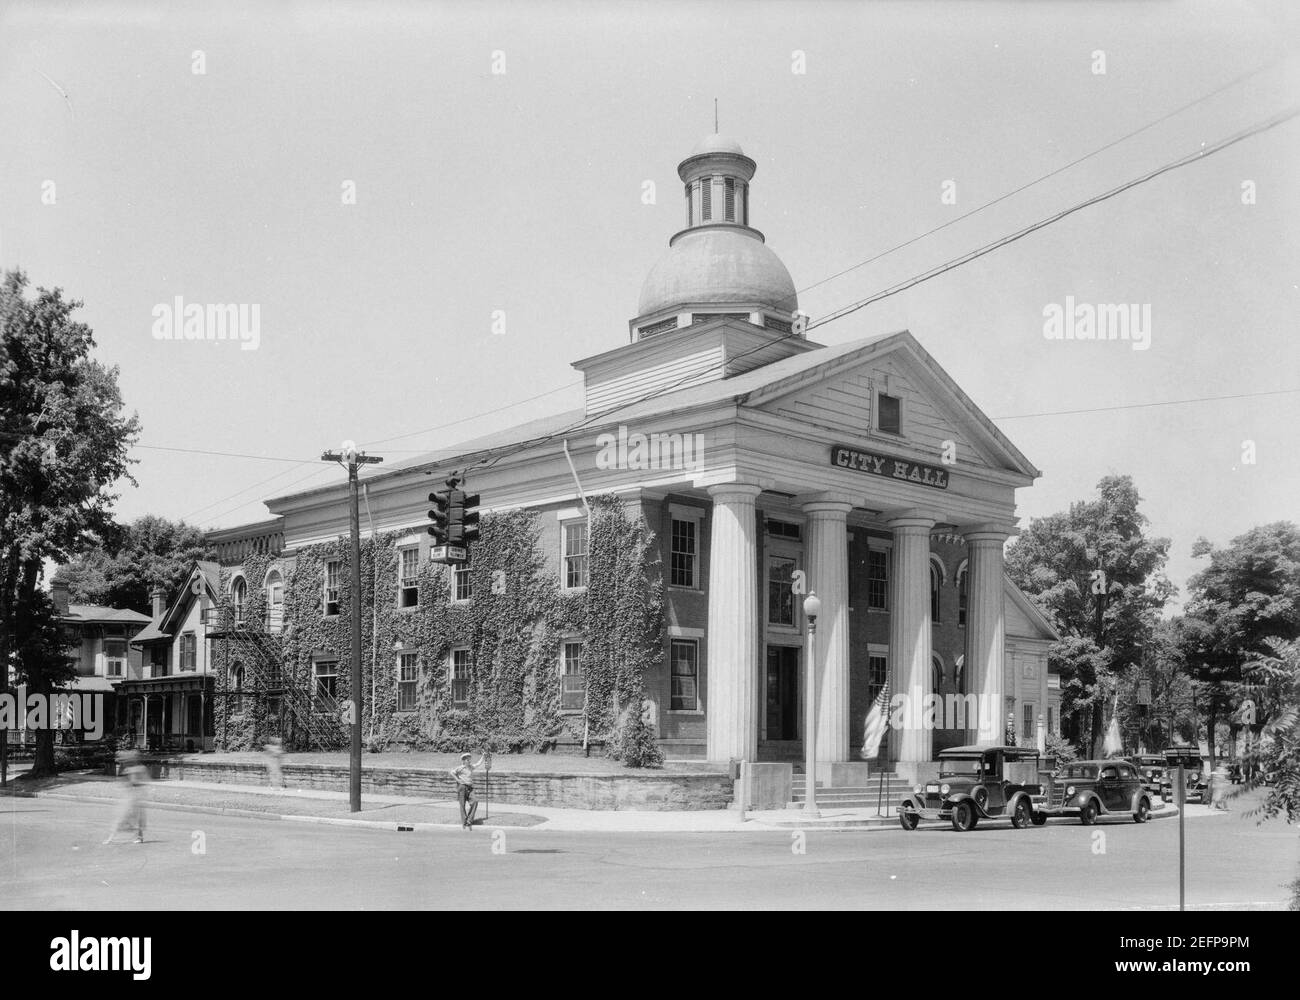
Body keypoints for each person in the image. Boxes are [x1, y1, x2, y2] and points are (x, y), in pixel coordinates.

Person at [103, 750, 149, 844]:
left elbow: (144, 780)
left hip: (135, 795)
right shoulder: (132, 769)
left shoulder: (138, 769)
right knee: (125, 816)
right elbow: (124, 782)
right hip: (132, 795)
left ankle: (138, 837)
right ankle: (112, 837)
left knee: (132, 816)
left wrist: (134, 784)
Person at [449, 752, 486, 829]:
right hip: (462, 787)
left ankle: (469, 819)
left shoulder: (471, 767)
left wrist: (483, 756)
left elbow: (478, 764)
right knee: (462, 805)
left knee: (475, 801)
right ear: (463, 761)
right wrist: (458, 780)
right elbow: (452, 772)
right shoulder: (460, 768)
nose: (469, 761)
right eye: (467, 760)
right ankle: (464, 821)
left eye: (469, 759)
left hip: (470, 788)